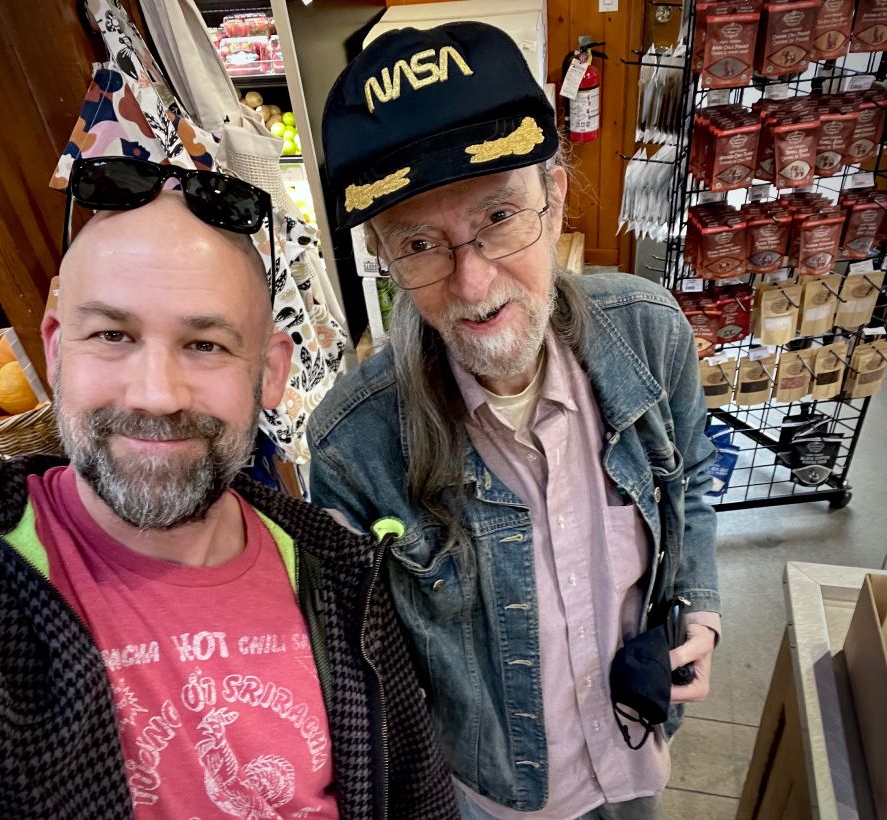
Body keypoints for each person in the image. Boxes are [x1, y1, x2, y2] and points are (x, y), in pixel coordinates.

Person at [0, 172, 458, 819]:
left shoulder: (337, 573)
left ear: (270, 371)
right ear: (55, 350)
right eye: (113, 336)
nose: (155, 394)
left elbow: (418, 795)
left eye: (204, 345)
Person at [310, 22, 720, 820]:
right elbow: (362, 672)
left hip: (639, 748)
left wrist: (697, 604)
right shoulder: (352, 447)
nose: (472, 283)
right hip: (492, 801)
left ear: (555, 194)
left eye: (499, 216)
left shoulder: (650, 332)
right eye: (420, 243)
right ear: (383, 256)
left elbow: (692, 477)